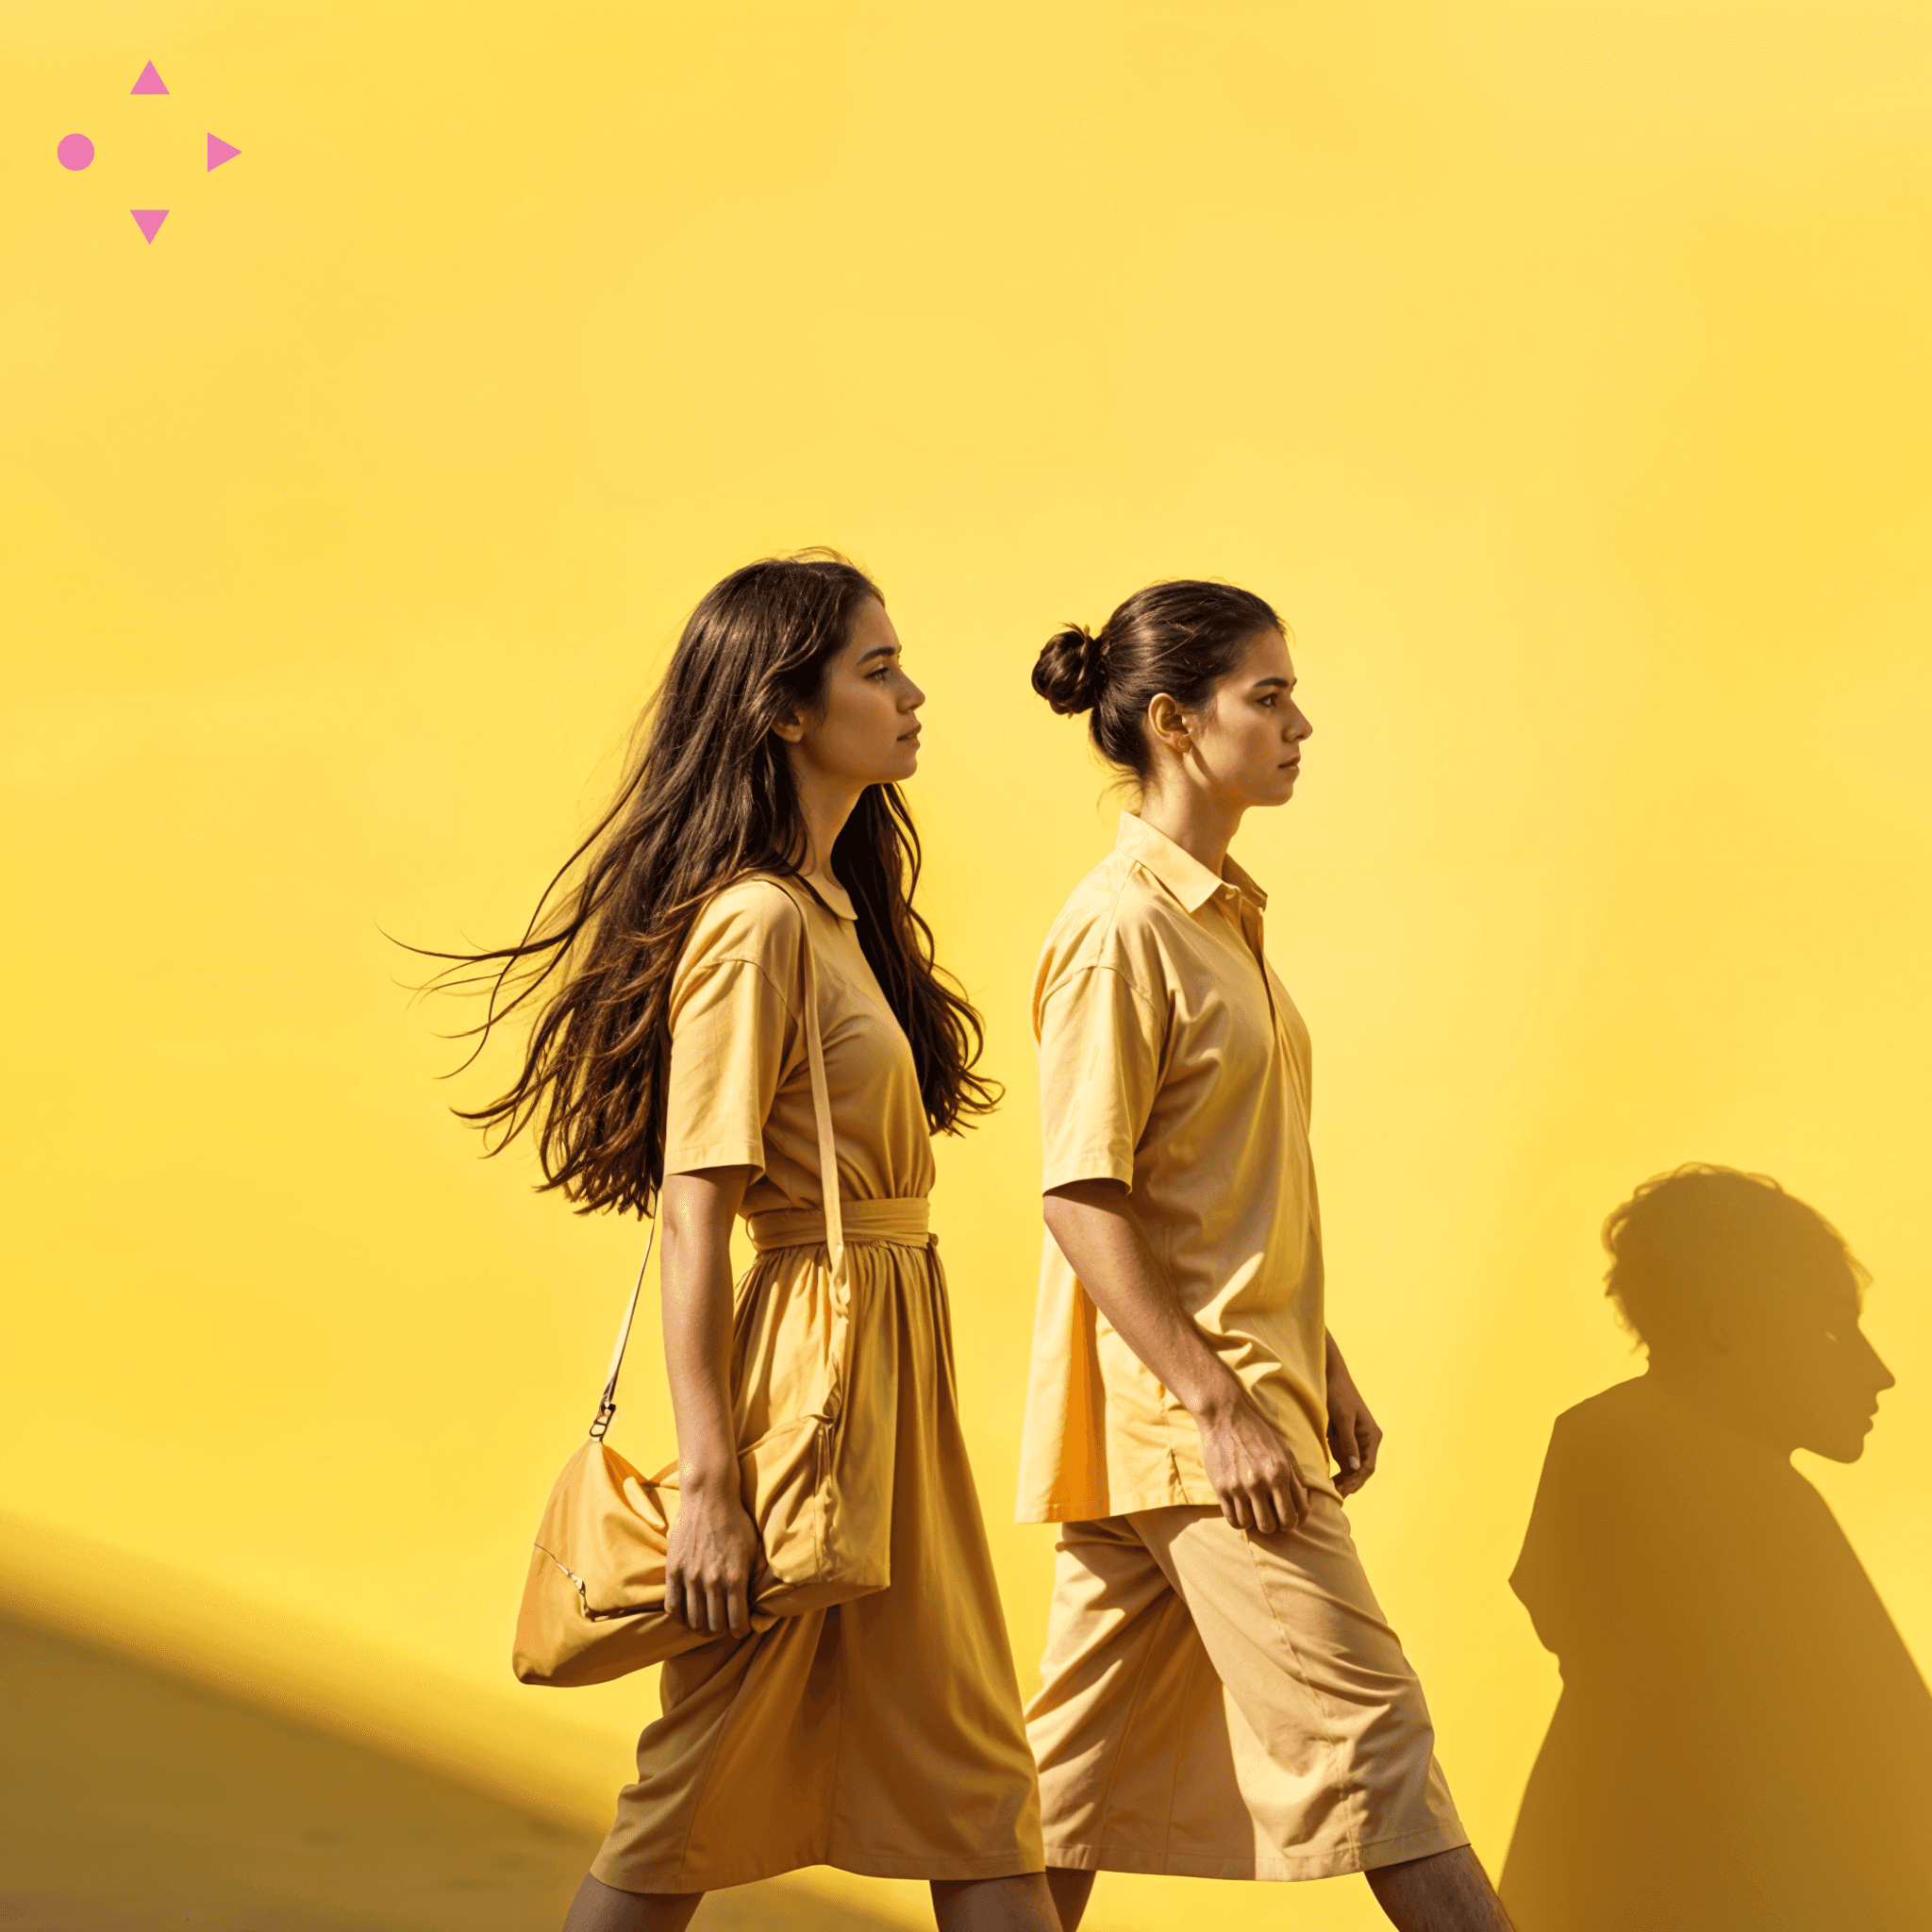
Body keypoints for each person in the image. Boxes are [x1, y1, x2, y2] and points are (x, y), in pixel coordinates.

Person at [440, 554, 1058, 1932]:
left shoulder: (833, 909)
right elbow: (693, 1211)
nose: (912, 693)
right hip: (811, 1386)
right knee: (695, 1789)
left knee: (974, 1772)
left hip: (889, 1377)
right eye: (876, 669)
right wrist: (712, 1484)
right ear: (785, 708)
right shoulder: (755, 922)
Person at [1018, 581, 1512, 1930]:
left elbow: (1220, 1190)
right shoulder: (1121, 929)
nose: (1301, 723)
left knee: (1063, 1788)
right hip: (1201, 1423)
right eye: (1269, 694)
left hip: (1209, 1402)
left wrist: (1322, 1361)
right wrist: (1221, 1405)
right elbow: (1082, 1196)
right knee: (1375, 1745)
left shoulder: (1218, 918)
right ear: (1175, 723)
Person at [1502, 1164, 1930, 1930]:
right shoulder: (1745, 1495)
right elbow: (1898, 1770)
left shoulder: (1601, 1442)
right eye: (1834, 1328)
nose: (1880, 1372)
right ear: (1726, 1326)